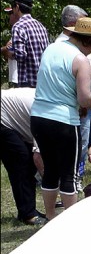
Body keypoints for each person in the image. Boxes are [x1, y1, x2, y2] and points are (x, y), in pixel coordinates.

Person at [30, 16, 91, 219]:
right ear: (89, 41)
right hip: (64, 121)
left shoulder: (52, 48)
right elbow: (84, 97)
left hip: (38, 116)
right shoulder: (80, 59)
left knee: (50, 170)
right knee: (68, 174)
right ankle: (71, 224)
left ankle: (51, 218)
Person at [57, 5, 91, 187]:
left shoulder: (79, 44)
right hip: (82, 103)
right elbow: (77, 72)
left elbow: (84, 72)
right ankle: (75, 177)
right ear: (73, 23)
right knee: (82, 141)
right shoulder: (63, 45)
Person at [0, 86, 46, 224]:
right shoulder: (45, 117)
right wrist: (52, 184)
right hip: (2, 118)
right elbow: (38, 158)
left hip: (12, 117)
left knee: (26, 164)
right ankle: (28, 214)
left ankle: (27, 210)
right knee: (21, 161)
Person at [2, 0, 50, 87]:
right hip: (43, 80)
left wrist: (9, 53)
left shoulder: (18, 26)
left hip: (27, 81)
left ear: (17, 7)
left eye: (13, 6)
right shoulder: (40, 26)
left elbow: (21, 55)